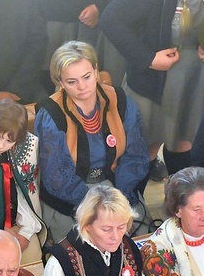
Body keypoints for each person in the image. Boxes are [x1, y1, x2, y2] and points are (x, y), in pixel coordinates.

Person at [34, 40, 150, 242]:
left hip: (117, 185)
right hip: (72, 198)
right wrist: (97, 210)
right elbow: (56, 177)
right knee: (87, 249)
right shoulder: (51, 114)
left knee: (138, 241)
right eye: (71, 81)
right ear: (60, 82)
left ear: (96, 71)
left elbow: (135, 155)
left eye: (87, 77)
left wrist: (118, 201)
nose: (82, 86)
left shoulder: (119, 100)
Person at [99, 0, 204, 159]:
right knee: (143, 148)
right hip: (155, 79)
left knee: (184, 142)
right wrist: (148, 58)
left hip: (193, 78)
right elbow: (110, 19)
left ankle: (178, 190)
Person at [0, 100, 45, 263]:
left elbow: (30, 191)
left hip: (20, 224)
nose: (0, 144)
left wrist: (25, 232)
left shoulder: (31, 145)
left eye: (9, 141)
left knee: (32, 262)